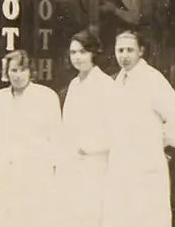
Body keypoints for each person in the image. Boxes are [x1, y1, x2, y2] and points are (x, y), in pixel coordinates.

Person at [103, 29, 175, 227]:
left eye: (129, 50)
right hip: (120, 167)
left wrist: (158, 144)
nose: (124, 55)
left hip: (146, 168)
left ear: (140, 51)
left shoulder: (153, 80)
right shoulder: (117, 82)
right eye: (120, 50)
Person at [0, 50, 62, 227]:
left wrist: (54, 169)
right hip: (7, 172)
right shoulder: (0, 98)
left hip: (36, 172)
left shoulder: (46, 96)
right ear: (7, 72)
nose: (18, 75)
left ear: (30, 72)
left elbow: (56, 136)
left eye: (22, 70)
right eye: (13, 70)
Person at [59, 31, 117, 227]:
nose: (77, 57)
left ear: (93, 53)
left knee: (94, 216)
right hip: (71, 163)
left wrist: (89, 147)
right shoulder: (74, 84)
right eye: (73, 52)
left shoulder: (106, 85)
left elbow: (115, 129)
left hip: (96, 163)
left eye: (82, 52)